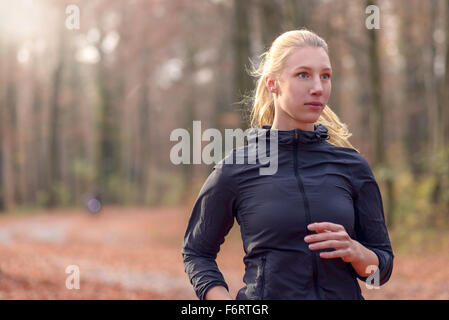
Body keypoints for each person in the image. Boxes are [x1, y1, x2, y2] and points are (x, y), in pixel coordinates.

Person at [181, 29, 394, 300]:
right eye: (303, 74)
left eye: (325, 76)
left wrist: (358, 252)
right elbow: (197, 251)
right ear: (272, 83)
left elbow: (381, 268)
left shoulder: (351, 165)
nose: (318, 87)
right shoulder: (237, 167)